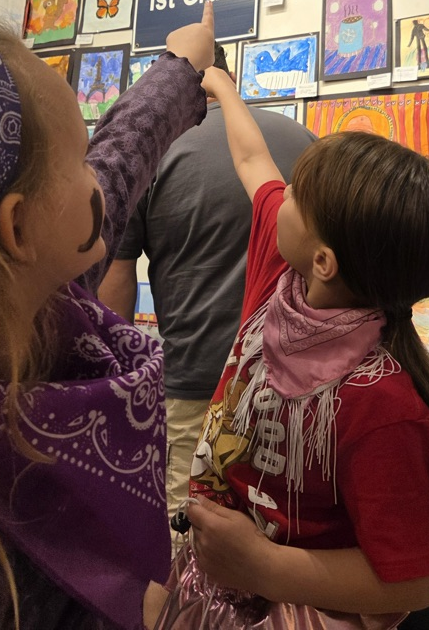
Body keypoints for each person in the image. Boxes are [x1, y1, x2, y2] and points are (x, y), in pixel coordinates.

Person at [0, 1, 215, 630]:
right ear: (20, 225)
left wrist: (181, 66)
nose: (97, 175)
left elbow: (124, 151)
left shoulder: (13, 290)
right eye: (78, 158)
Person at [150, 65, 429, 630]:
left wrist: (264, 566)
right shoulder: (282, 274)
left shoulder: (381, 404)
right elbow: (253, 161)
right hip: (211, 589)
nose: (280, 195)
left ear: (324, 261)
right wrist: (222, 87)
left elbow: (418, 579)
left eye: (296, 194)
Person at [98, 44, 315, 525]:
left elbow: (116, 278)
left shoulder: (154, 153)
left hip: (196, 384)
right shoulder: (302, 137)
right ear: (229, 77)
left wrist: (115, 383)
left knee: (193, 533)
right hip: (302, 383)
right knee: (286, 526)